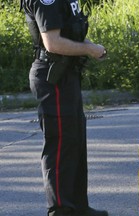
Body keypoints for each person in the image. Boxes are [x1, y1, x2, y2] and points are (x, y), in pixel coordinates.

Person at [20, 0, 108, 215]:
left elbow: (71, 33)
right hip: (53, 77)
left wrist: (90, 46)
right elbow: (53, 43)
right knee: (60, 145)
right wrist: (89, 49)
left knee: (75, 140)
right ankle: (60, 210)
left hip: (67, 74)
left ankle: (78, 207)